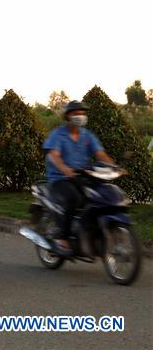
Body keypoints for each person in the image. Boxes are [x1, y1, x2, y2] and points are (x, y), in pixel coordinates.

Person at [43, 100, 118, 255]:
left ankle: (90, 233)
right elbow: (54, 155)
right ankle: (62, 238)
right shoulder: (58, 134)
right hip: (60, 179)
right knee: (74, 199)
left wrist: (115, 167)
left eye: (83, 113)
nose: (80, 116)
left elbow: (100, 154)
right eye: (76, 113)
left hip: (83, 177)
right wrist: (65, 169)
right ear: (67, 116)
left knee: (102, 197)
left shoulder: (87, 135)